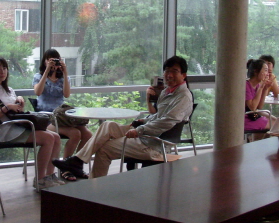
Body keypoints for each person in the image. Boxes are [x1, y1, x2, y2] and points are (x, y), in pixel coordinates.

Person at [52, 56, 193, 179]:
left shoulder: (183, 97)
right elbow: (159, 115)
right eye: (167, 70)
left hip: (155, 145)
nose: (169, 75)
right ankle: (77, 161)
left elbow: (166, 122)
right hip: (147, 136)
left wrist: (139, 130)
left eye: (174, 71)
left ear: (184, 75)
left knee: (104, 149)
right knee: (108, 125)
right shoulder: (167, 92)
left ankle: (93, 187)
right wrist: (144, 121)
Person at [0, 56, 63, 190]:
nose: (2, 72)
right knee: (48, 138)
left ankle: (49, 175)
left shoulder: (9, 90)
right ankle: (40, 179)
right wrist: (7, 108)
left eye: (4, 68)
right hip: (2, 130)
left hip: (16, 127)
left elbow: (16, 113)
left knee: (56, 137)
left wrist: (19, 104)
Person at [32, 49, 92, 177]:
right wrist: (47, 71)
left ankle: (75, 164)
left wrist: (65, 73)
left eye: (56, 60)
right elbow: (38, 92)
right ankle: (65, 168)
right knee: (75, 134)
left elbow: (67, 94)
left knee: (87, 134)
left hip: (62, 117)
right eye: (50, 60)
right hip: (47, 118)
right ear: (44, 61)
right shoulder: (38, 76)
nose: (53, 62)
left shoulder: (63, 78)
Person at [245, 59, 279, 138]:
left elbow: (259, 106)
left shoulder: (257, 85)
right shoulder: (246, 85)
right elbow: (252, 107)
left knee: (276, 122)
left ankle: (258, 142)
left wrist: (265, 88)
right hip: (245, 118)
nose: (267, 74)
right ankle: (258, 143)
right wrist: (261, 88)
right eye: (266, 70)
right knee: (275, 124)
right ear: (256, 71)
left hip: (252, 116)